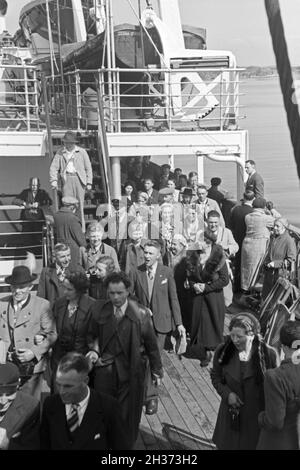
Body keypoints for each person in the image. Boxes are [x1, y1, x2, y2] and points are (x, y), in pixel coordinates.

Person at [87, 273, 163, 448]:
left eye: (120, 293)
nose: (115, 297)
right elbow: (92, 336)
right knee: (104, 414)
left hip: (131, 374)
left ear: (128, 291)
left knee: (128, 418)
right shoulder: (100, 311)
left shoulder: (141, 314)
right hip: (104, 373)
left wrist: (157, 370)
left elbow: (152, 346)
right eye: (112, 293)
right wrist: (94, 351)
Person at [129, 240, 185, 415]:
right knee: (141, 359)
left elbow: (173, 298)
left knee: (155, 360)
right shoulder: (135, 272)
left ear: (158, 255)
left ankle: (151, 397)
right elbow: (129, 297)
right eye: (145, 253)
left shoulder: (166, 272)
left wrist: (179, 323)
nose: (146, 256)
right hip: (142, 323)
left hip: (162, 324)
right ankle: (139, 394)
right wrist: (141, 308)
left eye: (150, 253)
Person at [211, 312, 278, 450]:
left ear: (252, 336)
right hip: (229, 417)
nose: (234, 340)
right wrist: (227, 394)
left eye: (239, 336)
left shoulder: (269, 355)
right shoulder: (223, 351)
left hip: (254, 420)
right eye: (232, 335)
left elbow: (276, 389)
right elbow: (216, 377)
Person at [40, 352, 131, 450]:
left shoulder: (108, 407)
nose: (61, 391)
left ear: (85, 381)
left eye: (68, 386)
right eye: (58, 384)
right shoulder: (50, 404)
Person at [0, 266, 57, 399]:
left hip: (30, 368)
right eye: (14, 287)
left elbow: (52, 334)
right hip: (6, 366)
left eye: (22, 287)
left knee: (30, 407)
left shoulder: (42, 305)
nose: (17, 291)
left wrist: (33, 352)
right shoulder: (2, 304)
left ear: (30, 287)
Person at [186, 235, 229, 367]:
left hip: (213, 297)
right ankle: (204, 349)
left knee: (211, 324)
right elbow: (190, 276)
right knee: (199, 323)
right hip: (198, 296)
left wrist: (207, 287)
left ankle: (210, 351)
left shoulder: (218, 258)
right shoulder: (194, 256)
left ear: (210, 244)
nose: (201, 246)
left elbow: (224, 280)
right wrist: (194, 285)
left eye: (204, 243)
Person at [257, 321, 300, 450]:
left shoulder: (275, 377)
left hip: (278, 443)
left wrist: (261, 417)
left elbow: (275, 422)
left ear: (283, 347)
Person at [50, 271, 95, 377]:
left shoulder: (92, 306)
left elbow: (95, 335)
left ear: (80, 290)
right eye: (64, 288)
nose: (65, 292)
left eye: (69, 289)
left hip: (81, 359)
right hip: (59, 359)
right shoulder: (59, 304)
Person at [49, 131, 93, 231]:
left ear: (74, 143)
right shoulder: (60, 152)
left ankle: (81, 230)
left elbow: (88, 167)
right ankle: (68, 228)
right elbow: (53, 167)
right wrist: (54, 180)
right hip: (66, 179)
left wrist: (89, 182)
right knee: (67, 205)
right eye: (66, 142)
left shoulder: (81, 152)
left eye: (69, 142)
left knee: (79, 205)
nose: (67, 144)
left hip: (79, 179)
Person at [0, 361, 40, 450]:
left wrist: (7, 445)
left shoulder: (30, 406)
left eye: (9, 394)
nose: (3, 401)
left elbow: (32, 446)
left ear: (18, 386)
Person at [241, 197, 274, 292]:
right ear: (264, 207)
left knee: (246, 268)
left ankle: (244, 288)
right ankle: (252, 290)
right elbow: (279, 219)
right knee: (256, 269)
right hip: (258, 244)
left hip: (247, 243)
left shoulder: (247, 216)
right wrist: (271, 210)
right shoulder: (265, 218)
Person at [207, 210, 239, 307]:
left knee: (226, 289)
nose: (213, 225)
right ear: (207, 221)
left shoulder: (226, 232)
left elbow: (235, 246)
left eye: (215, 222)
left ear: (219, 221)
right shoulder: (202, 233)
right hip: (208, 267)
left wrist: (227, 249)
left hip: (223, 266)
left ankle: (226, 306)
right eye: (211, 222)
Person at [37, 242, 84, 307]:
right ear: (54, 257)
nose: (67, 259)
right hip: (52, 312)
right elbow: (40, 296)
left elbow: (84, 295)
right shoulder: (46, 271)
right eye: (62, 257)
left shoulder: (78, 270)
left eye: (68, 255)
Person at [261, 217, 297, 300]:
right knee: (266, 298)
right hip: (269, 274)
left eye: (277, 226)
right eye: (274, 226)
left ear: (284, 227)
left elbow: (291, 260)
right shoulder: (274, 238)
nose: (275, 228)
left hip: (280, 275)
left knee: (275, 299)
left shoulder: (289, 241)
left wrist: (275, 264)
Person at [229, 191, 254, 292]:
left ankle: (236, 285)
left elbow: (231, 224)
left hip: (236, 239)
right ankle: (245, 286)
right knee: (247, 264)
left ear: (243, 197)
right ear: (253, 199)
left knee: (237, 263)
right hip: (248, 241)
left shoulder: (235, 209)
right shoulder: (252, 212)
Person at [54, 196, 87, 265]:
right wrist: (86, 245)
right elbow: (79, 238)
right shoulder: (73, 218)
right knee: (74, 270)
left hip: (60, 248)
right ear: (72, 207)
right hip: (72, 250)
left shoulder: (56, 216)